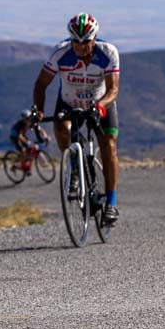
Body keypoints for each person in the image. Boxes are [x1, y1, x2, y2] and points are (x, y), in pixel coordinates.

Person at [31, 13, 121, 224]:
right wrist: (39, 110)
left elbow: (114, 89)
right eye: (75, 41)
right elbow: (41, 84)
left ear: (95, 37)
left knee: (108, 145)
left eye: (86, 41)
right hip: (69, 102)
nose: (80, 46)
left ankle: (111, 203)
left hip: (100, 103)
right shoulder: (60, 53)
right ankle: (73, 165)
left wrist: (99, 106)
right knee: (61, 129)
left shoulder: (108, 52)